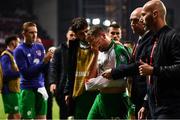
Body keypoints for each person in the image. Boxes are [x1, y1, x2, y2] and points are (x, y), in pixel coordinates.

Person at [102, 7, 153, 119]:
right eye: (131, 20)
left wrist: (114, 72)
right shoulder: (139, 40)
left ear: (144, 20)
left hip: (146, 96)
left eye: (135, 20)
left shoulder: (150, 40)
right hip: (137, 96)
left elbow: (138, 65)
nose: (132, 23)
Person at [138, 0, 180, 119]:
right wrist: (146, 104)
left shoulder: (173, 37)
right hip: (154, 108)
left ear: (155, 14)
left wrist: (153, 70)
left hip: (170, 109)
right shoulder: (154, 39)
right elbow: (151, 80)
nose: (141, 19)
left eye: (143, 14)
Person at [85, 26, 132, 119]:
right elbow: (89, 78)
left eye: (94, 43)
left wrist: (93, 83)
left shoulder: (118, 50)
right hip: (101, 97)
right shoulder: (98, 51)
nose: (93, 46)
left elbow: (122, 77)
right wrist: (95, 54)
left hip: (115, 99)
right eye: (90, 44)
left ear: (103, 36)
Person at [14, 22, 53, 119]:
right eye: (31, 32)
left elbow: (45, 69)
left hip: (41, 88)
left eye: (36, 32)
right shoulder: (19, 50)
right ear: (24, 34)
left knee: (42, 118)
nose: (34, 35)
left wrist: (50, 61)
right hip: (27, 90)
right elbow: (26, 73)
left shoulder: (40, 47)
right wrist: (44, 61)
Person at [64, 17, 98, 119]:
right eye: (81, 33)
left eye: (86, 31)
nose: (85, 35)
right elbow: (70, 70)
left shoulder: (97, 42)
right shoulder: (73, 45)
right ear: (76, 34)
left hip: (96, 89)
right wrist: (67, 91)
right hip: (79, 92)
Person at [49, 27, 75, 119]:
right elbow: (53, 67)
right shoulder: (59, 50)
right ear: (67, 35)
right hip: (62, 88)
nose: (73, 37)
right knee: (63, 113)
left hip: (76, 87)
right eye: (71, 35)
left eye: (75, 36)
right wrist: (52, 82)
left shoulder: (80, 50)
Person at [0, 35, 21, 119]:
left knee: (12, 115)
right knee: (18, 115)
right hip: (9, 90)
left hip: (14, 89)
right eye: (18, 42)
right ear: (13, 42)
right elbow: (7, 73)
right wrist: (21, 72)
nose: (19, 44)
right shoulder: (6, 56)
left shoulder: (12, 55)